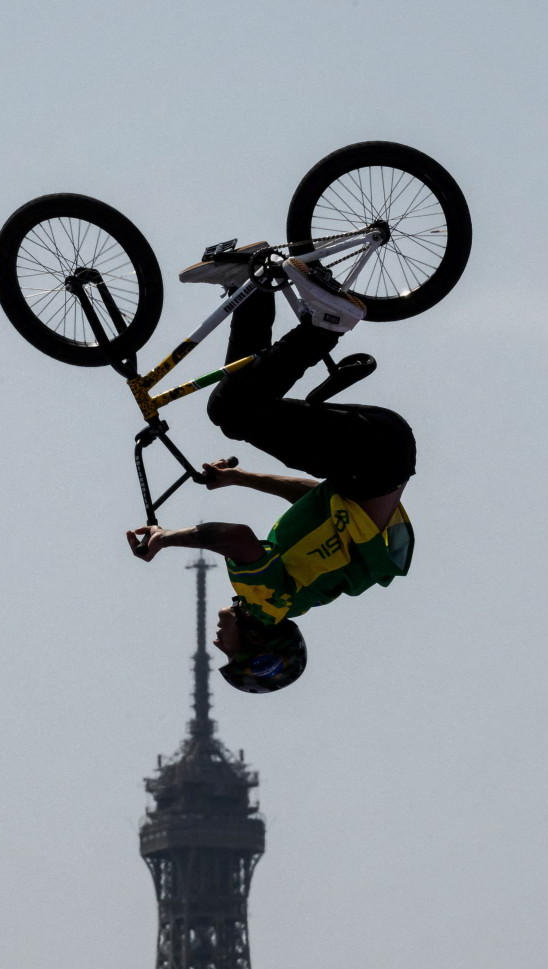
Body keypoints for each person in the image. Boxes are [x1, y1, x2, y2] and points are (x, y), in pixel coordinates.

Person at [127, 257, 415, 694]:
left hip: (381, 453)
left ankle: (252, 288)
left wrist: (241, 479)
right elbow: (236, 538)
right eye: (231, 652)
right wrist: (165, 538)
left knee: (239, 405)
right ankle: (328, 324)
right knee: (231, 412)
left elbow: (312, 494)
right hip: (369, 460)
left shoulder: (296, 582)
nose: (219, 644)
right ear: (258, 641)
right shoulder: (266, 605)